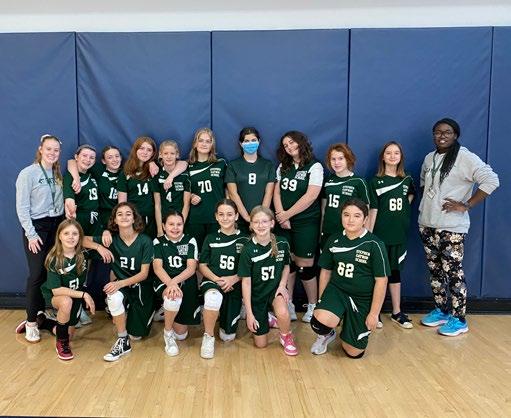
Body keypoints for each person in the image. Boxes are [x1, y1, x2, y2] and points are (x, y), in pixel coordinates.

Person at [419, 118, 499, 336]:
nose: (442, 136)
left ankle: (459, 319)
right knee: (435, 271)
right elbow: (425, 185)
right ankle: (442, 310)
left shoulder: (465, 157)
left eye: (447, 132)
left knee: (453, 272)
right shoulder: (429, 157)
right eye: (438, 132)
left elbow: (492, 180)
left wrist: (467, 205)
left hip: (451, 227)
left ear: (455, 135)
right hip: (427, 224)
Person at [310, 199, 389, 358]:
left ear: (365, 219)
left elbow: (382, 281)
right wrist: (322, 300)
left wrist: (374, 314)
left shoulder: (374, 244)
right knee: (320, 323)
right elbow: (325, 272)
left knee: (354, 352)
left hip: (362, 298)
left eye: (357, 216)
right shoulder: (334, 239)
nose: (350, 220)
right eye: (346, 215)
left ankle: (348, 326)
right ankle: (327, 334)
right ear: (341, 216)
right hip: (337, 291)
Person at [84, 202, 154, 361]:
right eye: (119, 214)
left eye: (128, 214)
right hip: (121, 285)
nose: (124, 217)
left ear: (134, 218)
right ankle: (123, 339)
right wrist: (99, 247)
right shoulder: (110, 240)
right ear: (114, 220)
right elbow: (81, 239)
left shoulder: (145, 240)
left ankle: (129, 312)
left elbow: (144, 274)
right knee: (113, 296)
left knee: (137, 335)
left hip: (140, 286)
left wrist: (119, 283)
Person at [15, 134, 65, 342]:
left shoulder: (58, 172)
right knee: (36, 274)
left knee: (51, 272)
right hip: (37, 227)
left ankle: (42, 312)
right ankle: (31, 322)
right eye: (49, 149)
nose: (52, 153)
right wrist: (31, 234)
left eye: (56, 150)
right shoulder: (28, 173)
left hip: (57, 225)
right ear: (40, 149)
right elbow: (22, 207)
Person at [274, 131, 322, 323]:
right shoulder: (283, 166)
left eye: (292, 142)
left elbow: (311, 196)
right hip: (283, 223)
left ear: (301, 142)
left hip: (305, 222)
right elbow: (277, 193)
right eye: (285, 145)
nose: (289, 147)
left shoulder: (315, 166)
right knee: (287, 263)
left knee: (305, 265)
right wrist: (280, 215)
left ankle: (312, 305)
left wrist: (287, 214)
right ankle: (289, 304)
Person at [238, 206, 297, 356]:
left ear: (272, 223)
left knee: (283, 312)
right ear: (251, 225)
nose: (260, 225)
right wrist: (249, 313)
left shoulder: (282, 243)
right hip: (257, 295)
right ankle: (268, 319)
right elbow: (246, 282)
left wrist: (282, 286)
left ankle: (286, 336)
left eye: (264, 221)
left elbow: (286, 266)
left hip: (275, 290)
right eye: (256, 222)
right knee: (261, 345)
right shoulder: (247, 249)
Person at [368, 141, 415, 329]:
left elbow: (410, 196)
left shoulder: (407, 179)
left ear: (401, 157)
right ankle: (375, 312)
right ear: (383, 157)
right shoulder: (375, 181)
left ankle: (397, 312)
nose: (393, 156)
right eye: (388, 153)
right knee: (378, 274)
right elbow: (373, 210)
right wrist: (369, 235)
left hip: (399, 235)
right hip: (380, 236)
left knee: (395, 273)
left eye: (396, 153)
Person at [199, 199, 249, 358]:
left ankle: (233, 309)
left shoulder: (246, 239)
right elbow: (202, 265)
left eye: (229, 214)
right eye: (221, 214)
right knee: (213, 297)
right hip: (213, 281)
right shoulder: (210, 238)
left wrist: (234, 279)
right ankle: (208, 337)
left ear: (236, 216)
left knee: (228, 336)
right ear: (216, 216)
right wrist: (217, 279)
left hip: (235, 285)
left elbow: (249, 267)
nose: (225, 218)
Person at [41, 219, 95, 360]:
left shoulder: (83, 253)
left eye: (75, 234)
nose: (71, 237)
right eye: (66, 233)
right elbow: (56, 290)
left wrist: (99, 247)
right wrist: (84, 295)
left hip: (75, 295)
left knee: (69, 334)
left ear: (80, 237)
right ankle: (61, 343)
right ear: (59, 236)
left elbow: (100, 241)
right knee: (66, 302)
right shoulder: (54, 258)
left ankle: (44, 322)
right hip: (56, 296)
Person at [153, 210, 200, 356]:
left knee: (181, 335)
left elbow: (191, 268)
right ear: (164, 226)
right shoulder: (158, 242)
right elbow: (158, 268)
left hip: (184, 280)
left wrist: (174, 282)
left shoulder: (190, 240)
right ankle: (167, 333)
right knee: (172, 297)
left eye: (179, 224)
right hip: (164, 280)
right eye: (171, 224)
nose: (175, 228)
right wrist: (170, 284)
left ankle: (167, 311)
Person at [225, 127, 276, 233]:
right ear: (241, 143)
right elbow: (233, 194)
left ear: (259, 141)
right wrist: (247, 218)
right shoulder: (233, 165)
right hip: (240, 218)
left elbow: (269, 193)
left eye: (253, 140)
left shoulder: (268, 165)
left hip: (263, 221)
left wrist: (260, 217)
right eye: (246, 141)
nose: (250, 143)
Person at [321, 143, 370, 247]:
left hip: (349, 232)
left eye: (340, 158)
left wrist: (364, 234)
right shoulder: (328, 180)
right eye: (333, 159)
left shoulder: (358, 181)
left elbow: (366, 210)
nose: (336, 162)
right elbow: (323, 209)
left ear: (348, 159)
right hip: (328, 230)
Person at [186, 128, 227, 250]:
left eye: (208, 141)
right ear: (195, 143)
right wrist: (191, 196)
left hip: (216, 217)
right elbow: (181, 190)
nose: (204, 144)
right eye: (201, 140)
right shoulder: (187, 166)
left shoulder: (221, 163)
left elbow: (228, 190)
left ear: (212, 145)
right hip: (195, 218)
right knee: (196, 253)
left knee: (215, 253)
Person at [117, 136, 158, 238]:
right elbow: (122, 202)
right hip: (133, 219)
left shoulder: (155, 169)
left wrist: (152, 163)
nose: (145, 152)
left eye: (149, 150)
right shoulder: (125, 172)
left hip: (151, 219)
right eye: (142, 148)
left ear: (153, 153)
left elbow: (183, 164)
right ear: (135, 149)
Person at [153, 140, 191, 237]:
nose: (169, 156)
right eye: (165, 153)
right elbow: (157, 205)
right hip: (164, 220)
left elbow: (186, 204)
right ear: (160, 155)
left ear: (177, 155)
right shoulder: (157, 175)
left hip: (180, 218)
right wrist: (159, 229)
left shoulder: (184, 175)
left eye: (172, 153)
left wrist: (180, 225)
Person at [63, 145, 100, 236]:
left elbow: (71, 162)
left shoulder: (92, 173)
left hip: (95, 220)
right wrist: (71, 212)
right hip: (80, 220)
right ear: (76, 157)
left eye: (92, 157)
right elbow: (69, 200)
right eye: (84, 155)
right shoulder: (70, 177)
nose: (88, 160)